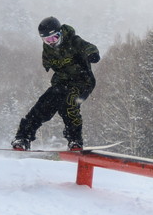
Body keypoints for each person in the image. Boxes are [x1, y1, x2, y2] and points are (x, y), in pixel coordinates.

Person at [13, 16, 101, 151]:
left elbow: (89, 47)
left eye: (54, 38)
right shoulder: (48, 50)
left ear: (60, 33)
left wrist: (92, 54)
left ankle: (75, 140)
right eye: (47, 40)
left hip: (82, 81)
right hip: (62, 81)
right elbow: (50, 65)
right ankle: (23, 137)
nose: (52, 42)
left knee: (69, 104)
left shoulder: (73, 41)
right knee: (44, 103)